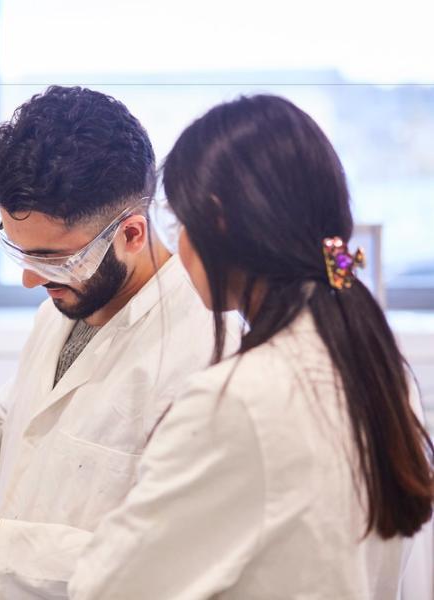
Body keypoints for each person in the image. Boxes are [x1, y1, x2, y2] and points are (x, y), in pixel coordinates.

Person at [68, 94, 434, 599]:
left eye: (181, 224)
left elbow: (108, 585)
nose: (178, 246)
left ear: (217, 221)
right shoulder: (376, 360)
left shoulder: (241, 399)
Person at [0, 86, 231, 599]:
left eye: (54, 259)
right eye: (21, 254)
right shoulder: (63, 310)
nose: (29, 282)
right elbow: (5, 471)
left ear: (131, 234)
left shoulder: (201, 352)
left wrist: (19, 551)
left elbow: (191, 560)